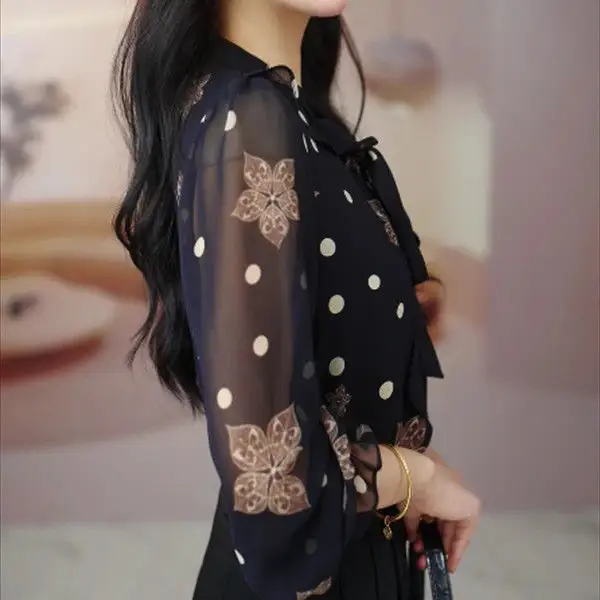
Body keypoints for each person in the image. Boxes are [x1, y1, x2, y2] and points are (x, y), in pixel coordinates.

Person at [112, 1, 481, 599]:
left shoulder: (288, 111)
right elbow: (273, 499)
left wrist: (412, 466)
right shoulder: (250, 119)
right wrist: (416, 477)